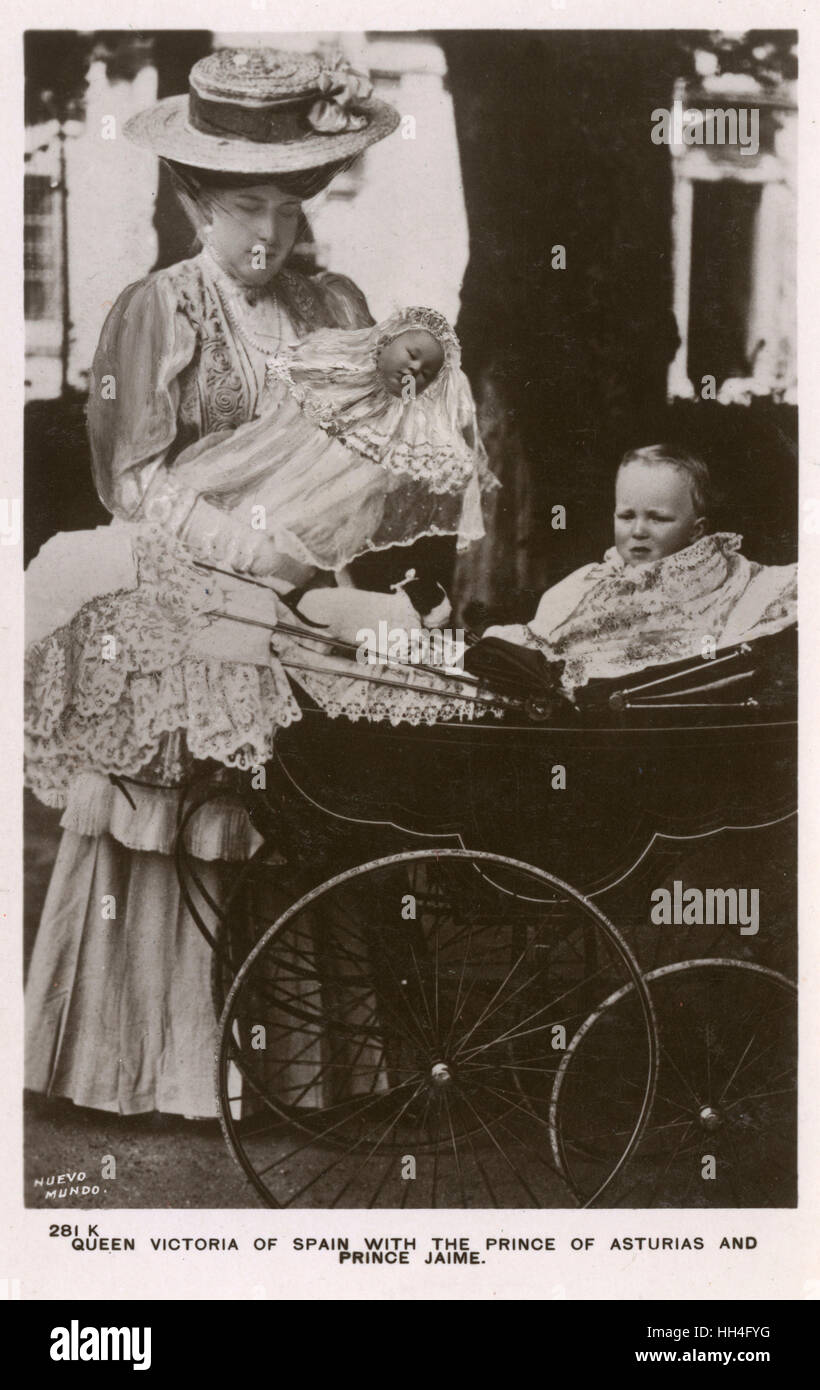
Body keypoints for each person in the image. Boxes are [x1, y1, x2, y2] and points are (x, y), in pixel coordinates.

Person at [24, 46, 488, 1120]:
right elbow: (136, 482)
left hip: (297, 576)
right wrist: (250, 554)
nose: (266, 235)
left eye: (284, 208)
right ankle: (138, 1061)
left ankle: (304, 1065)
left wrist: (320, 558)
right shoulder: (160, 307)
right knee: (187, 771)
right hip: (179, 566)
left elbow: (372, 453)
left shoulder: (335, 304)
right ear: (195, 200)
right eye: (242, 209)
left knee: (319, 756)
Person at [481, 445, 797, 697]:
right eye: (626, 515)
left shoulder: (705, 572)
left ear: (697, 530)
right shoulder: (598, 578)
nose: (638, 531)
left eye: (658, 519)